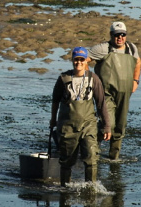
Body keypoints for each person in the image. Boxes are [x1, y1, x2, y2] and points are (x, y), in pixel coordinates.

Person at [50, 47, 111, 186]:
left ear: (86, 61)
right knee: (67, 160)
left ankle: (91, 188)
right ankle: (64, 189)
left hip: (88, 125)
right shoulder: (63, 78)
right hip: (67, 127)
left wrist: (107, 126)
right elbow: (55, 100)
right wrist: (53, 120)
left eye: (81, 60)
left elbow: (101, 103)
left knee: (91, 157)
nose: (78, 62)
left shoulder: (93, 79)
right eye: (76, 59)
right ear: (72, 60)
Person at [87, 21, 141, 160]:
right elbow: (84, 59)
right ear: (111, 35)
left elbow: (138, 62)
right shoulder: (103, 48)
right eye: (117, 35)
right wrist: (90, 80)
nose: (120, 38)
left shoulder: (131, 48)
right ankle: (93, 151)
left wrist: (136, 81)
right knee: (108, 123)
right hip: (106, 93)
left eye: (123, 35)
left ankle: (114, 158)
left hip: (125, 93)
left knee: (120, 125)